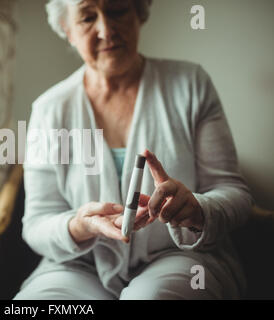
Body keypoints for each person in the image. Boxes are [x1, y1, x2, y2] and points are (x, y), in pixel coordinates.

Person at [14, 0, 253, 299]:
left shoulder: (190, 84)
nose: (106, 29)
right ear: (67, 30)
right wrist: (78, 225)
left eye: (117, 10)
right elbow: (37, 223)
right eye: (88, 17)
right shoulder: (49, 109)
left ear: (139, 13)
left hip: (179, 257)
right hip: (76, 266)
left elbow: (234, 192)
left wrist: (197, 209)